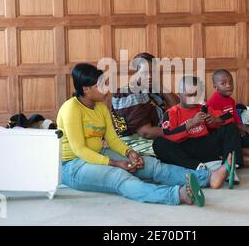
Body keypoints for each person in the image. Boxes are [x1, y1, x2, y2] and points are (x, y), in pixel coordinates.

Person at [57, 63, 229, 206]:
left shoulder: (100, 107)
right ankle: (177, 195)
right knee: (120, 176)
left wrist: (130, 153)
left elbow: (112, 139)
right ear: (86, 89)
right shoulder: (71, 109)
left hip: (99, 154)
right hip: (74, 165)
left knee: (149, 164)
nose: (106, 88)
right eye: (100, 85)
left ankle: (207, 177)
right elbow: (79, 149)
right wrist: (116, 163)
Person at [153, 76, 241, 188]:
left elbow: (229, 117)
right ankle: (199, 167)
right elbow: (168, 135)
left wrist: (215, 120)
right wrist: (191, 124)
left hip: (205, 145)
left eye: (196, 94)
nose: (193, 98)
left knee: (231, 128)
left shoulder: (203, 108)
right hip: (185, 148)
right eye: (189, 95)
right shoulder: (171, 113)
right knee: (158, 143)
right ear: (179, 95)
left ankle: (228, 168)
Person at [111, 52, 179, 155]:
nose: (150, 76)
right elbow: (146, 132)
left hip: (158, 136)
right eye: (145, 72)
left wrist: (158, 84)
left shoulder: (151, 89)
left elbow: (178, 106)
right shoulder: (130, 94)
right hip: (136, 143)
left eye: (153, 72)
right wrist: (178, 132)